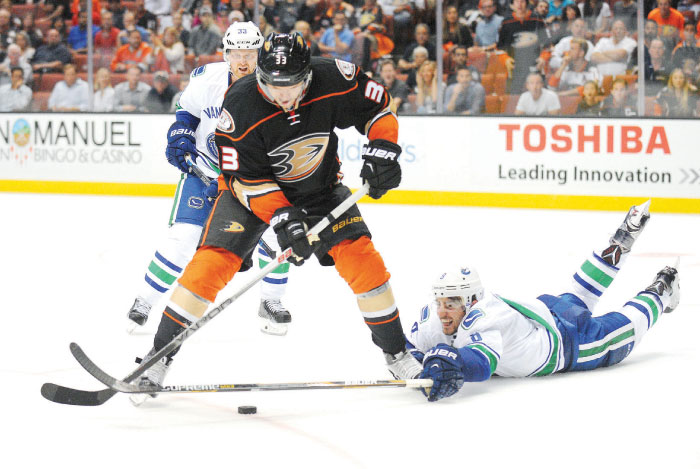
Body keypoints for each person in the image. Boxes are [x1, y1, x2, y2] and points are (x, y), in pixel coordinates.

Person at [129, 32, 422, 403]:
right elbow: (244, 180)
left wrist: (384, 147)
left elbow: (378, 110)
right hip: (248, 194)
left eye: (292, 85)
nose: (282, 95)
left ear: (309, 76)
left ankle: (397, 354)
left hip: (319, 190)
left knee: (365, 263)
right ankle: (156, 359)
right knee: (208, 267)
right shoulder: (239, 105)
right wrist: (283, 217)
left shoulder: (335, 77)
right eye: (271, 84)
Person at [408, 201, 681, 402]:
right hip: (549, 310)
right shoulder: (438, 318)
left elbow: (480, 365)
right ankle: (623, 236)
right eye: (441, 302)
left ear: (471, 301)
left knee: (625, 329)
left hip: (573, 344)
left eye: (452, 303)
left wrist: (451, 362)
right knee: (581, 291)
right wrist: (421, 363)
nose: (443, 312)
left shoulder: (482, 318)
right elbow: (409, 349)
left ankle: (663, 288)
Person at [125, 23, 295, 338]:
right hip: (206, 168)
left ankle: (271, 301)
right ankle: (145, 302)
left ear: (261, 54)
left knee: (276, 236)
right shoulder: (208, 79)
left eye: (250, 53)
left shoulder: (277, 86)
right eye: (236, 53)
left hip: (254, 177)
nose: (243, 60)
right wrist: (179, 135)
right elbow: (186, 115)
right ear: (226, 53)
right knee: (184, 237)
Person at [497, 0, 548, 94]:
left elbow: (547, 45)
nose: (519, 4)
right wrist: (506, 59)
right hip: (515, 67)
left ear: (527, 3)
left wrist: (543, 58)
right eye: (516, 2)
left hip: (535, 65)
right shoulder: (506, 22)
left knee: (539, 97)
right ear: (512, 4)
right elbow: (500, 48)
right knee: (513, 100)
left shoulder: (538, 19)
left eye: (522, 2)